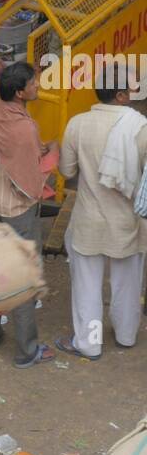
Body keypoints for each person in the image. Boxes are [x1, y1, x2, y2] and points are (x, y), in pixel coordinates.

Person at [0, 62, 56, 368]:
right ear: (20, 93)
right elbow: (31, 182)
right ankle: (27, 351)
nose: (37, 87)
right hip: (18, 212)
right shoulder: (25, 127)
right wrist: (47, 156)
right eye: (34, 84)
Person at [56, 63, 147, 360]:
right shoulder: (141, 127)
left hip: (89, 220)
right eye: (133, 86)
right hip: (129, 222)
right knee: (128, 283)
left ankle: (90, 343)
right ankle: (126, 335)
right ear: (121, 95)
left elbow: (66, 170)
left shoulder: (77, 124)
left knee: (87, 286)